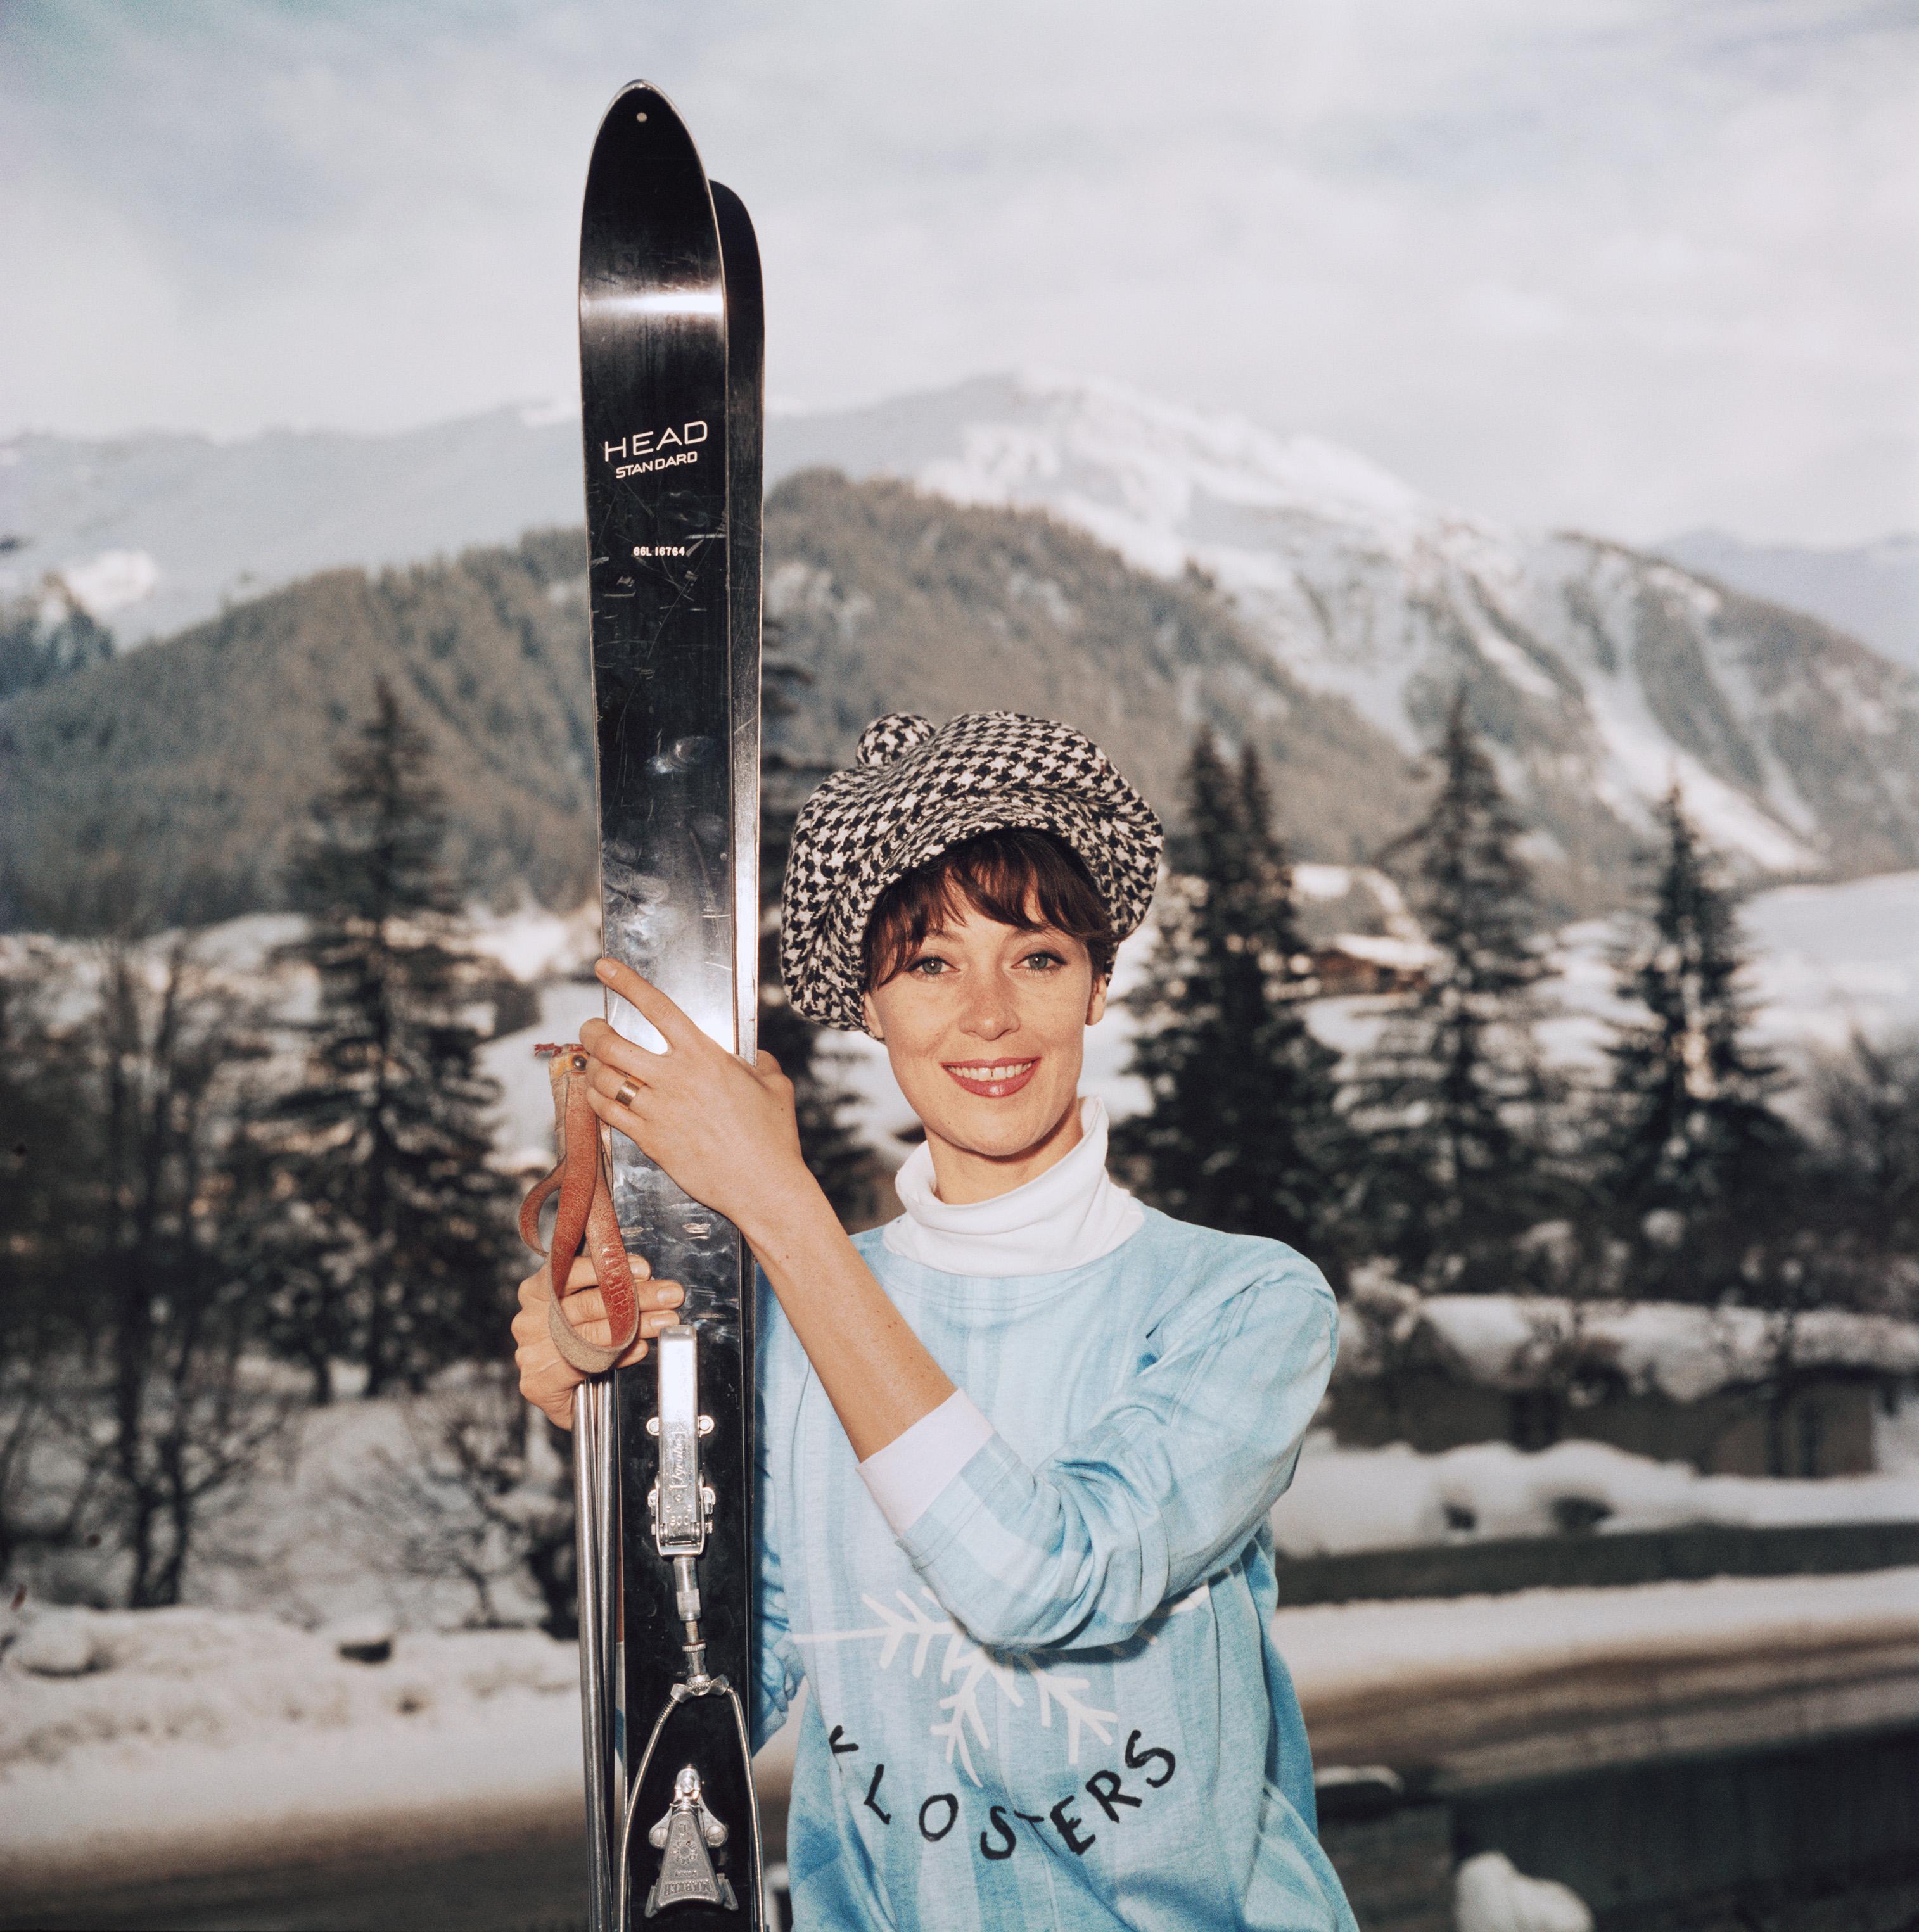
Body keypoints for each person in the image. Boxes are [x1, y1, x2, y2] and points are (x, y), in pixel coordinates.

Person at [514, 711, 1358, 1930]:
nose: (988, 1017)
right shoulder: (796, 1314)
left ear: (1100, 983)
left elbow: (1046, 1580)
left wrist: (775, 1209)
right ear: (869, 999)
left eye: (1036, 957)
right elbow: (702, 1697)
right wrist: (609, 1420)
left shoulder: (1245, 1301)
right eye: (928, 964)